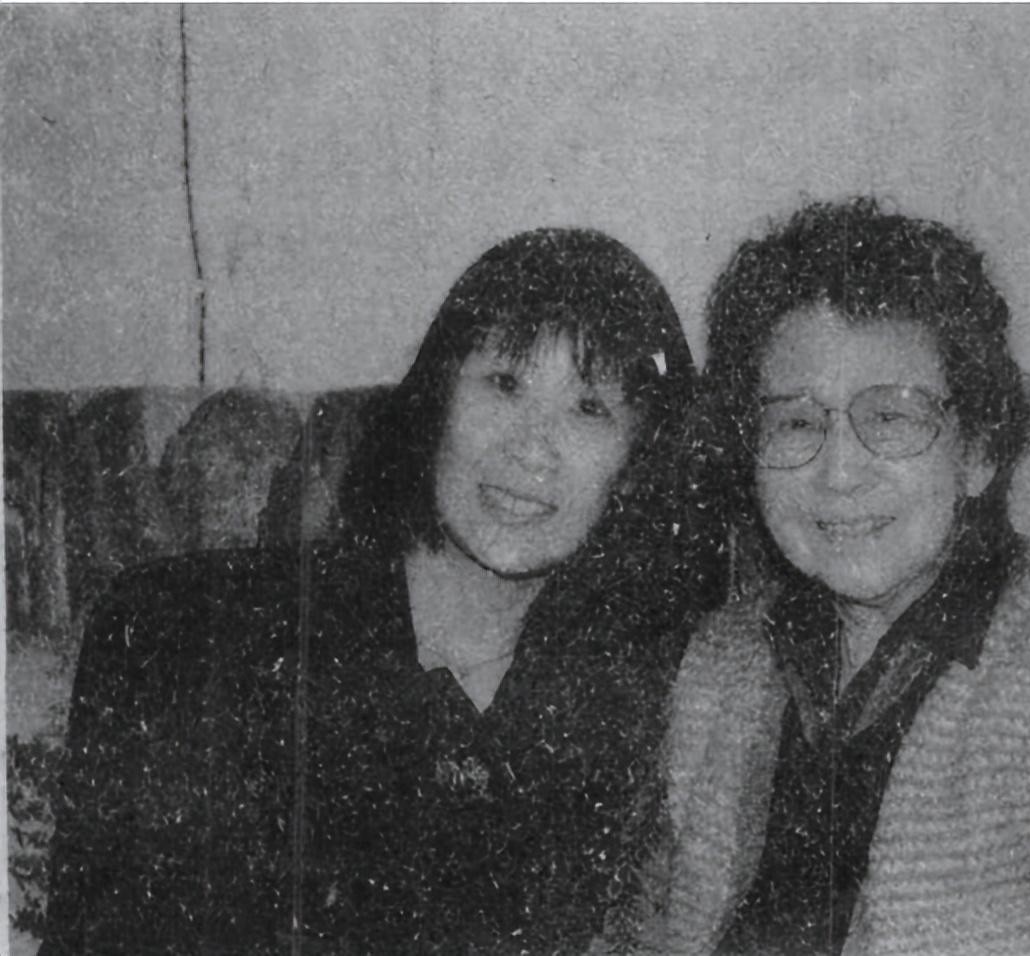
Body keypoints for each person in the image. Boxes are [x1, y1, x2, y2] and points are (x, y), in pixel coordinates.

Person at [41, 227, 711, 954]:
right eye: (505, 384)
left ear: (637, 463)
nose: (532, 448)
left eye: (589, 409)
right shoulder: (185, 628)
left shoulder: (649, 703)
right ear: (437, 400)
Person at [625, 198, 1030, 955]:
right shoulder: (719, 663)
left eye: (891, 417)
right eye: (795, 422)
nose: (839, 472)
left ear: (980, 451)